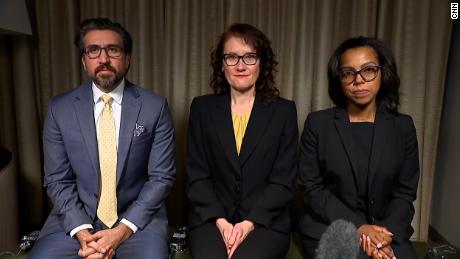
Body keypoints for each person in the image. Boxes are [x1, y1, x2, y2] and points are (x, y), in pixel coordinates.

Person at [29, 18, 175, 259]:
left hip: (138, 220)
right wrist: (83, 233)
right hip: (75, 220)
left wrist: (121, 231)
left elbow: (161, 178)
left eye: (113, 50)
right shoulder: (60, 109)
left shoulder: (154, 107)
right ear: (84, 61)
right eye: (93, 50)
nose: (104, 58)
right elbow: (57, 179)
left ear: (127, 59)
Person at [298, 36, 420, 259]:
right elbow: (311, 188)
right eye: (348, 73)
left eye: (369, 70)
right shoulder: (318, 124)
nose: (359, 80)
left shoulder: (403, 127)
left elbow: (405, 191)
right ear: (339, 79)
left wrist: (384, 236)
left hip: (386, 230)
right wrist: (360, 228)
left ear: (383, 73)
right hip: (330, 228)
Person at [186, 23, 298, 259]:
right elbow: (197, 176)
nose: (240, 65)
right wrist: (222, 223)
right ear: (221, 63)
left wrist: (248, 224)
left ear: (261, 62)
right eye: (231, 57)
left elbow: (282, 181)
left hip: (265, 221)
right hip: (212, 219)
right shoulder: (202, 108)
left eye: (249, 57)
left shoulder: (284, 111)